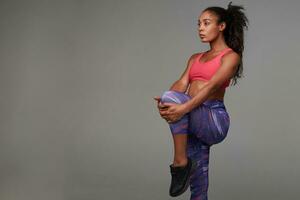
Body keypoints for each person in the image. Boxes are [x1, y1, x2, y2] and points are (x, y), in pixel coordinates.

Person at [153, 2, 249, 199]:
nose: (201, 29)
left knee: (173, 100)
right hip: (193, 115)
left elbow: (212, 86)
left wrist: (182, 107)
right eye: (198, 24)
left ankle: (180, 162)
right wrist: (166, 101)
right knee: (198, 183)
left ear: (221, 26)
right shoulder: (195, 57)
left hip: (214, 119)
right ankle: (189, 170)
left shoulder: (230, 57)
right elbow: (181, 84)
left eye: (206, 23)